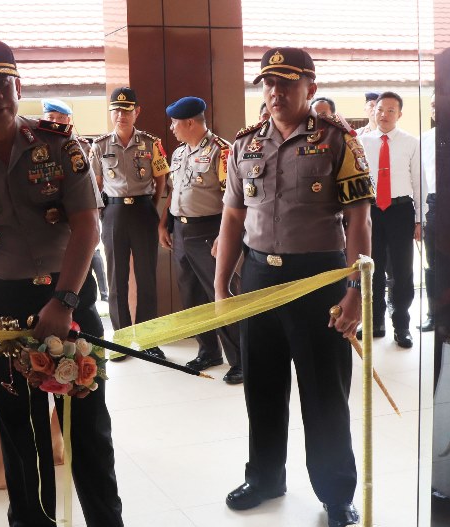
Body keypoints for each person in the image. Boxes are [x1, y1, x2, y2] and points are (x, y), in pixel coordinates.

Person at [0, 39, 123, 527]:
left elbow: (88, 226)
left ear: (18, 87)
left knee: (89, 429)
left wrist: (64, 299)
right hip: (2, 306)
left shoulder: (61, 146)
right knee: (20, 433)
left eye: (2, 84)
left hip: (71, 294)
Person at [215, 47, 373, 527]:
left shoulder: (338, 141)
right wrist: (222, 286)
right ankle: (265, 478)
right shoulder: (245, 145)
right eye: (268, 83)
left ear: (310, 86)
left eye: (286, 82)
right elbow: (232, 217)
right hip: (260, 276)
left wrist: (355, 291)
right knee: (261, 386)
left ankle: (336, 494)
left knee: (325, 392)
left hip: (319, 279)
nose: (275, 92)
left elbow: (359, 219)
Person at [157, 96, 242, 382]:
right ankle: (209, 350)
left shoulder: (222, 151)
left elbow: (233, 200)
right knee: (191, 295)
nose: (171, 128)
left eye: (174, 123)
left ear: (190, 122)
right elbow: (174, 192)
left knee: (221, 293)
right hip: (182, 231)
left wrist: (224, 236)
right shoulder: (179, 153)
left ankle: (241, 358)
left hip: (210, 232)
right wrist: (165, 224)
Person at [89, 86, 169, 359]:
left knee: (147, 278)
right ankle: (121, 341)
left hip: (144, 212)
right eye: (116, 110)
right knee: (116, 277)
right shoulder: (99, 146)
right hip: (113, 214)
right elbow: (96, 185)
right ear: (111, 112)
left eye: (126, 110)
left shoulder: (151, 143)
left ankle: (149, 340)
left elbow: (160, 180)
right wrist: (104, 213)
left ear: (137, 112)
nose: (121, 115)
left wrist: (151, 206)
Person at [358, 91, 421, 348]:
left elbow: (419, 181)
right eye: (380, 109)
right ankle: (375, 322)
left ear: (400, 114)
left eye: (391, 110)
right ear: (374, 111)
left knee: (402, 271)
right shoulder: (362, 142)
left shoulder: (411, 142)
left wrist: (420, 220)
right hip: (371, 210)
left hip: (401, 210)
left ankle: (401, 325)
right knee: (372, 269)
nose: (384, 114)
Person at [41, 98, 108, 301]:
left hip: (74, 229)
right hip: (44, 239)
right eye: (50, 118)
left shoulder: (79, 150)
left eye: (60, 119)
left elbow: (91, 195)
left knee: (80, 293)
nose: (55, 123)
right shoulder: (32, 150)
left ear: (68, 122)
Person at [420, 94, 436, 332]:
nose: (437, 109)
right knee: (434, 263)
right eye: (433, 105)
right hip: (435, 204)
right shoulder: (424, 140)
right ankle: (435, 313)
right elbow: (421, 180)